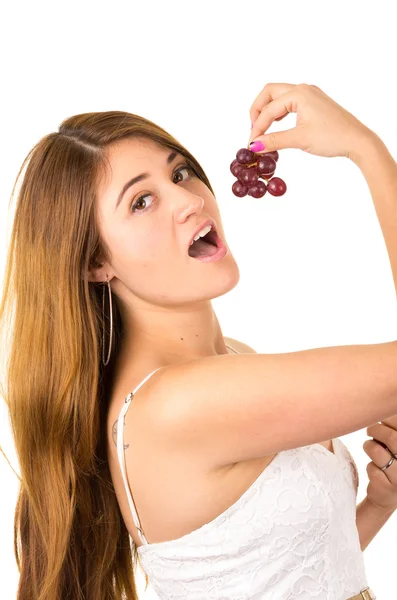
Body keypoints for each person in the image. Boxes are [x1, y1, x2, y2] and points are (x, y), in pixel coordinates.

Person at [1, 82, 395, 600]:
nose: (189, 200)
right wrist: (366, 149)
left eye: (180, 172)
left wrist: (376, 506)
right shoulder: (175, 405)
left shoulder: (232, 359)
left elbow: (282, 581)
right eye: (141, 201)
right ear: (95, 262)